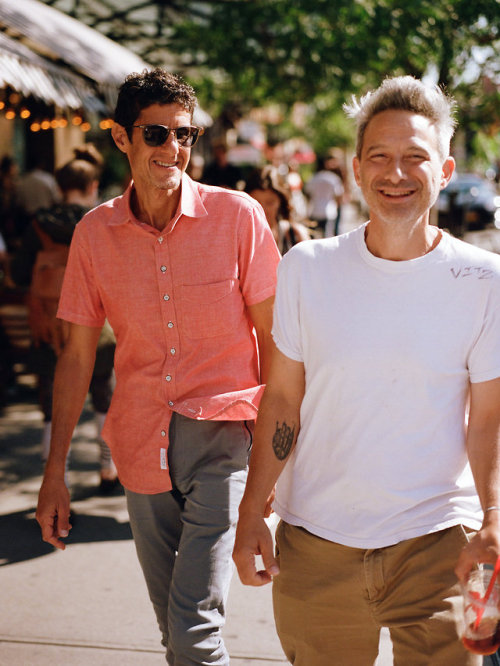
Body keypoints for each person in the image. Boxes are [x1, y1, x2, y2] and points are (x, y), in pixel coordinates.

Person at [233, 75, 500, 666]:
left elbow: (489, 418)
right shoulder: (307, 267)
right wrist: (252, 510)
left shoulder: (484, 280)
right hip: (314, 544)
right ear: (356, 170)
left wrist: (493, 519)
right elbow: (281, 399)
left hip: (438, 547)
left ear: (447, 169)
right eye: (378, 156)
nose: (395, 173)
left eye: (414, 157)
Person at [35, 68, 280, 665]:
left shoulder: (239, 217)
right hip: (139, 443)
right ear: (121, 138)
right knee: (175, 631)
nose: (174, 149)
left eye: (186, 135)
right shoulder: (94, 234)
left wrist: (279, 472)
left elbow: (279, 348)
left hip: (225, 441)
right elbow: (77, 354)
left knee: (193, 629)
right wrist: (55, 469)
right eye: (157, 134)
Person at [11, 149, 118, 491]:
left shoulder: (38, 225)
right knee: (103, 392)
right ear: (92, 185)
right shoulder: (100, 222)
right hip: (96, 324)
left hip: (48, 322)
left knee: (49, 403)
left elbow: (19, 273)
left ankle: (57, 478)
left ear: (59, 187)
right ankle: (107, 470)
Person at [245, 165, 309, 255]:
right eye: (256, 203)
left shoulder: (295, 235)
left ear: (281, 202)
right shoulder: (240, 237)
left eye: (270, 202)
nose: (263, 209)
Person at [304, 153, 344, 237]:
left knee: (313, 236)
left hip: (315, 210)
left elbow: (307, 193)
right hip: (329, 211)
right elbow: (339, 194)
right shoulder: (333, 178)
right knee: (327, 236)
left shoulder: (313, 178)